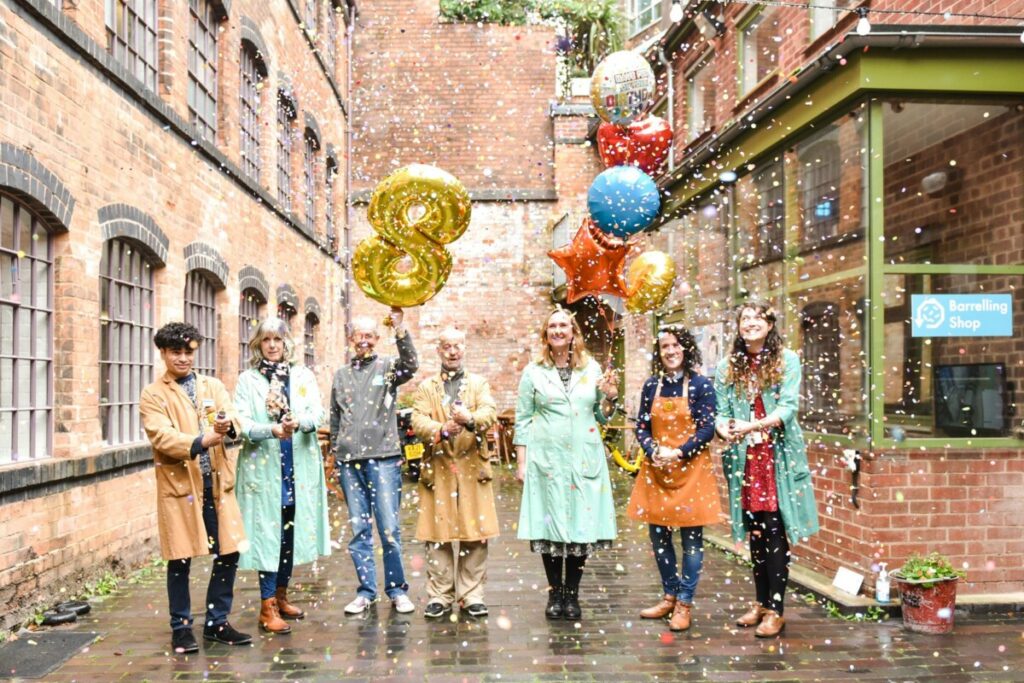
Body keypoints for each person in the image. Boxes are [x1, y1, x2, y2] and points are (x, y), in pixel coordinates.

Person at [139, 322, 251, 653]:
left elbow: (233, 418)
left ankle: (217, 621)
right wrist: (203, 439)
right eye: (176, 352)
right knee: (181, 557)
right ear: (163, 353)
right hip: (181, 488)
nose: (184, 358)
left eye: (189, 352)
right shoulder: (153, 394)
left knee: (229, 552)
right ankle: (181, 627)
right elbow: (162, 436)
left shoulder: (212, 386)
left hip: (217, 485)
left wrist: (226, 425)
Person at [714, 301, 819, 638]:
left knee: (774, 530)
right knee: (755, 531)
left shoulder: (787, 360)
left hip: (776, 459)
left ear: (771, 324)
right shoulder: (728, 366)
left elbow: (787, 408)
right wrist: (725, 428)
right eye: (745, 318)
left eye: (758, 317)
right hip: (745, 459)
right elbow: (720, 411)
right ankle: (760, 602)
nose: (750, 323)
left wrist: (752, 425)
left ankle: (776, 608)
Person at [514, 307, 618, 621]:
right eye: (552, 326)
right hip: (546, 457)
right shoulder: (533, 371)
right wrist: (521, 462)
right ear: (545, 334)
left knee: (580, 527)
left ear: (573, 332)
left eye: (564, 325)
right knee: (549, 525)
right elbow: (521, 420)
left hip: (584, 456)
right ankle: (554, 593)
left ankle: (572, 595)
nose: (558, 330)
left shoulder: (592, 368)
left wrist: (610, 397)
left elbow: (602, 416)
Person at [234, 317, 330, 634]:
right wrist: (270, 430)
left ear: (287, 343)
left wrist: (299, 422)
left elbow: (318, 412)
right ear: (257, 344)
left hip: (296, 468)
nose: (273, 345)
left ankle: (281, 594)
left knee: (288, 537)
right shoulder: (248, 380)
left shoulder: (301, 375)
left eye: (278, 339)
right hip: (263, 470)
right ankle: (266, 607)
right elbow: (242, 423)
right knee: (267, 537)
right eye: (266, 340)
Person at [626, 325, 720, 632]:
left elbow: (707, 429)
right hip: (657, 470)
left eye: (676, 345)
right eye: (665, 346)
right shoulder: (652, 385)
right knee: (659, 537)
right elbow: (642, 426)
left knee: (691, 540)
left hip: (691, 470)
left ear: (686, 348)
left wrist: (679, 452)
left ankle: (685, 602)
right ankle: (669, 593)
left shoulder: (701, 385)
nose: (670, 351)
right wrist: (652, 448)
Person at [330, 307, 418, 615]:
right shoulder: (340, 375)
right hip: (349, 462)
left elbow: (411, 365)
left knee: (390, 529)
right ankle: (366, 591)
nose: (363, 341)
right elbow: (336, 416)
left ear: (377, 339)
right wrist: (335, 453)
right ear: (351, 338)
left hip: (383, 458)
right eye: (359, 336)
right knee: (359, 531)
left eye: (369, 336)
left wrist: (401, 330)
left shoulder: (388, 368)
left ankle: (396, 589)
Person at [410, 327, 499, 619]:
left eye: (457, 345)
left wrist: (470, 419)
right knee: (438, 534)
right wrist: (441, 429)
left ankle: (472, 595)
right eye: (446, 346)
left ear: (464, 348)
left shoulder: (478, 383)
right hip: (438, 467)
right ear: (439, 350)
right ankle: (440, 595)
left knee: (475, 533)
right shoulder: (426, 387)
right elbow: (417, 419)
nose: (452, 351)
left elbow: (490, 412)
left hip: (473, 466)